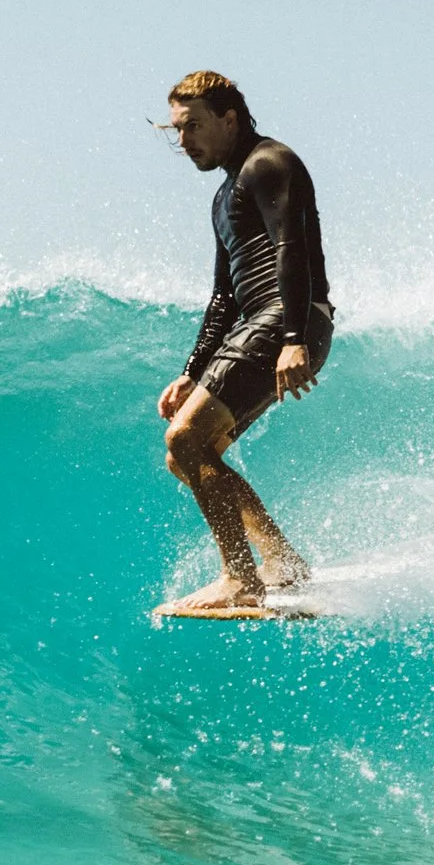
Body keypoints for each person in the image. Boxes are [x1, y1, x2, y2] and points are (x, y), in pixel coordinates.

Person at [151, 70, 334, 615]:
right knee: (185, 456)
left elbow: (292, 248)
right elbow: (222, 297)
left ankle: (241, 579)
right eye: (176, 130)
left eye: (195, 126)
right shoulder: (224, 196)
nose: (184, 142)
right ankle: (281, 561)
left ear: (230, 119)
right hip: (256, 322)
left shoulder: (269, 163)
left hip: (285, 318)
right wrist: (191, 370)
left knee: (187, 440)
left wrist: (295, 338)